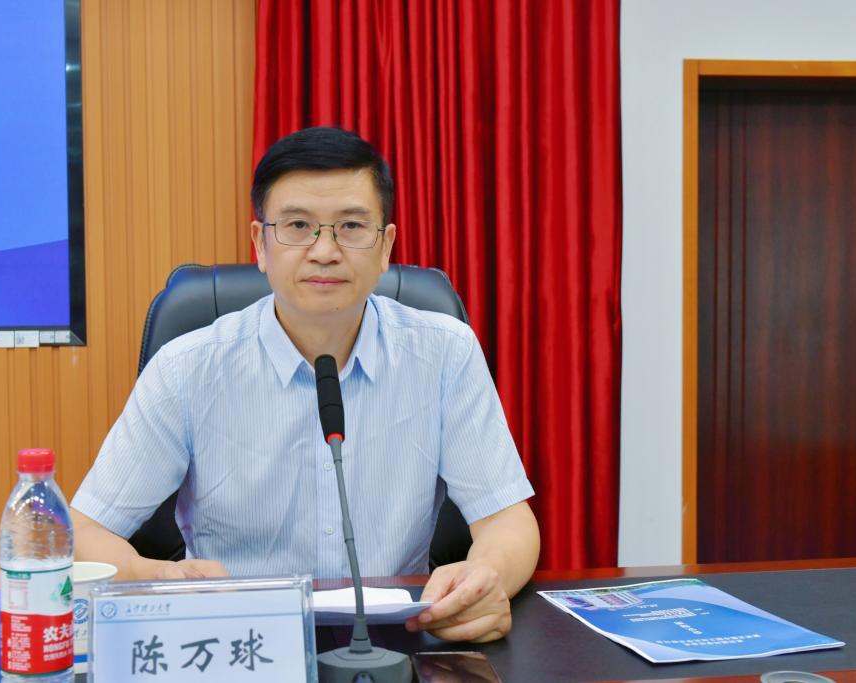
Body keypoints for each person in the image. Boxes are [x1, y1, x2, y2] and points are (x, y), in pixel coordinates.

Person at [70, 127, 540, 643]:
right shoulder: (187, 368)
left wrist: (485, 579)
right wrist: (158, 577)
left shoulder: (445, 352)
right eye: (298, 225)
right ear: (260, 244)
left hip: (395, 643)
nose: (325, 251)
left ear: (386, 246)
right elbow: (84, 531)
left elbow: (508, 522)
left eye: (351, 226)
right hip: (239, 645)